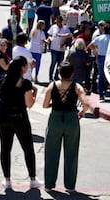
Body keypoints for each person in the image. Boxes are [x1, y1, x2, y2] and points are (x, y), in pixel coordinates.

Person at [0, 56, 42, 190]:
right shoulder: (25, 84)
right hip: (20, 118)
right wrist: (35, 93)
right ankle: (33, 179)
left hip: (4, 119)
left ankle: (7, 180)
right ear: (22, 68)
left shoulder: (3, 80)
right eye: (26, 65)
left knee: (5, 148)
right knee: (28, 148)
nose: (27, 67)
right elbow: (29, 104)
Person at [42, 61, 90, 192]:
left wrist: (54, 105)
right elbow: (86, 103)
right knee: (71, 153)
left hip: (56, 118)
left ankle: (49, 184)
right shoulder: (76, 86)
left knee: (51, 152)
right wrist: (83, 112)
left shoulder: (52, 86)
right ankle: (70, 185)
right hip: (71, 119)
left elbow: (45, 105)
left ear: (59, 73)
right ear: (72, 73)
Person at [47, 16, 72, 81]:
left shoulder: (65, 28)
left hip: (61, 49)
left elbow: (68, 36)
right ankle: (50, 76)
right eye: (56, 21)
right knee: (53, 62)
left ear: (61, 21)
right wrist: (49, 38)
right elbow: (49, 34)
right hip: (54, 48)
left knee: (60, 63)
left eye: (58, 21)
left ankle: (56, 76)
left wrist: (64, 43)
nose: (57, 22)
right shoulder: (53, 27)